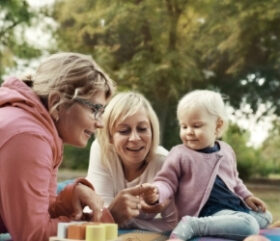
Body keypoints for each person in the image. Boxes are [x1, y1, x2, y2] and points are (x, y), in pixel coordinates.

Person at [0, 52, 115, 241]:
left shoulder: (39, 129)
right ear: (56, 103)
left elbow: (39, 212)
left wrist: (70, 197)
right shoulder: (29, 137)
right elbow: (33, 235)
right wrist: (102, 221)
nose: (100, 123)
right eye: (94, 110)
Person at [141, 90, 272, 240]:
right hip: (208, 211)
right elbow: (167, 182)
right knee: (250, 225)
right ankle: (193, 225)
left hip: (233, 207)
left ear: (217, 125)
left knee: (265, 216)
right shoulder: (179, 154)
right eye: (184, 126)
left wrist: (247, 196)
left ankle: (233, 222)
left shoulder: (226, 150)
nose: (189, 132)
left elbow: (234, 181)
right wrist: (157, 192)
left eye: (196, 126)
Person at [86, 91, 177, 232]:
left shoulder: (165, 162)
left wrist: (129, 223)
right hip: (86, 187)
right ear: (110, 137)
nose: (134, 138)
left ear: (152, 132)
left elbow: (174, 222)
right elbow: (96, 215)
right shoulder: (101, 149)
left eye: (142, 129)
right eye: (124, 131)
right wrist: (113, 214)